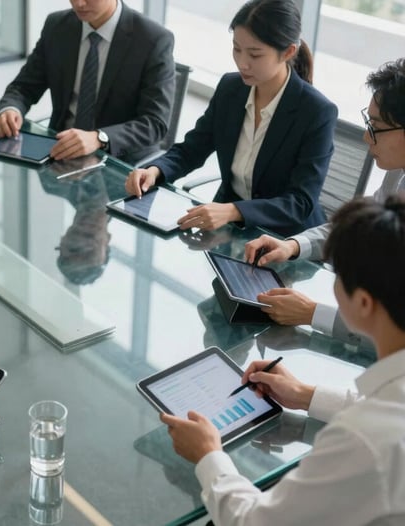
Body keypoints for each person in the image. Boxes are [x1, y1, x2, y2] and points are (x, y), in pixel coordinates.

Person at [161, 194, 405, 525]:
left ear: (363, 303)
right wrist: (306, 395)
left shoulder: (361, 441)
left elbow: (254, 521)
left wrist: (208, 455)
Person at [125, 0, 337, 237]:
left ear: (288, 52)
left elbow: (300, 202)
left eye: (255, 54)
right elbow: (191, 150)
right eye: (237, 49)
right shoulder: (230, 88)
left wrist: (234, 211)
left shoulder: (316, 112)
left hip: (284, 239)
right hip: (229, 229)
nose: (242, 63)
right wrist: (155, 170)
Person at [244, 58, 405, 344]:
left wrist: (311, 314)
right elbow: (359, 225)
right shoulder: (398, 172)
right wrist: (293, 245)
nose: (367, 137)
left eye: (376, 127)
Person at [0, 0, 175, 165]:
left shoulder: (153, 39)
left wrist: (99, 138)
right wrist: (10, 109)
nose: (79, 4)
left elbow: (154, 122)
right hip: (58, 155)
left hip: (117, 164)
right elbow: (24, 86)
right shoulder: (57, 26)